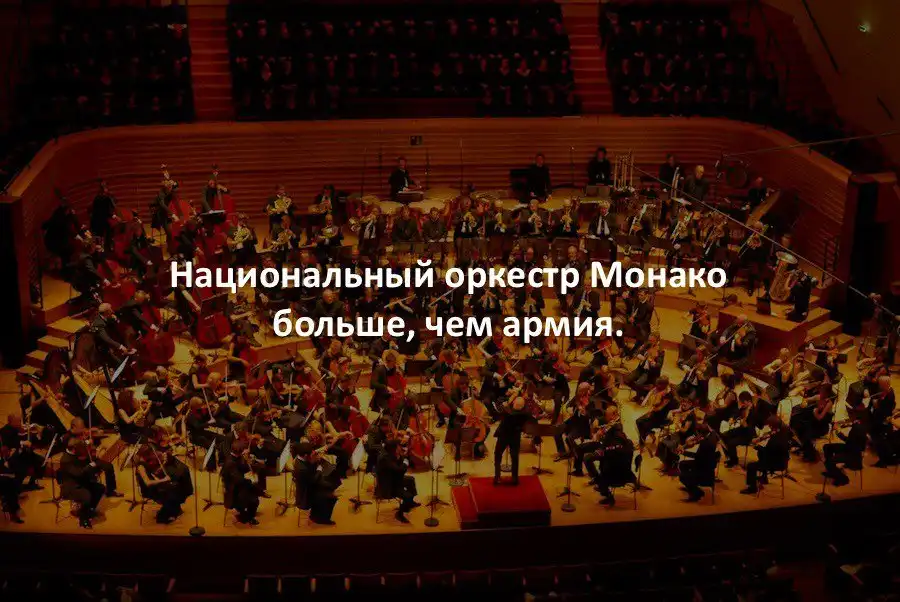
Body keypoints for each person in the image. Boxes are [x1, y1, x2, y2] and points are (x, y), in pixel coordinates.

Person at [58, 440, 107, 529]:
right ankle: (83, 519)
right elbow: (78, 473)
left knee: (100, 488)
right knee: (86, 495)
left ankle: (90, 510)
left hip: (82, 482)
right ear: (74, 449)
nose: (82, 450)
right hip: (71, 487)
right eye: (80, 448)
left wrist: (96, 466)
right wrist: (89, 466)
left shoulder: (78, 455)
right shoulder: (65, 459)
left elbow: (88, 467)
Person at [741, 416, 791, 495]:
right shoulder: (783, 433)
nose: (769, 427)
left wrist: (757, 447)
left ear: (773, 426)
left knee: (751, 466)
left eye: (770, 425)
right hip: (783, 461)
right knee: (761, 456)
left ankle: (752, 488)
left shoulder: (775, 439)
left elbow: (768, 451)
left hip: (775, 464)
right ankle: (764, 478)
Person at [293, 442, 339, 525]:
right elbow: (313, 481)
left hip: (309, 485)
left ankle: (317, 513)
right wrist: (319, 469)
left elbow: (311, 475)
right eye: (312, 453)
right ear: (306, 455)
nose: (313, 454)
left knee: (332, 482)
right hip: (306, 494)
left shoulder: (300, 457)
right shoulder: (301, 469)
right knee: (332, 497)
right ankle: (319, 519)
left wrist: (316, 460)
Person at [375, 439, 420, 523]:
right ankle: (400, 513)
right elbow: (400, 470)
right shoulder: (385, 459)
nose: (400, 447)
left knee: (411, 480)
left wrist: (401, 456)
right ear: (393, 448)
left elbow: (398, 469)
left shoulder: (392, 455)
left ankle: (410, 503)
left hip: (394, 479)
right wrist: (405, 462)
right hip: (388, 486)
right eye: (398, 446)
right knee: (408, 496)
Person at [493, 394, 532, 485]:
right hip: (515, 436)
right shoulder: (525, 414)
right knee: (514, 457)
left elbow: (498, 411)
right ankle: (515, 478)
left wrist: (507, 404)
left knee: (498, 455)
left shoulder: (507, 412)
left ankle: (497, 477)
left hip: (503, 435)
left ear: (514, 403)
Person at [221, 441, 261, 525]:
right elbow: (239, 480)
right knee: (254, 500)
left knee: (254, 492)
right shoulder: (230, 463)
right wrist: (250, 481)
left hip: (237, 486)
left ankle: (246, 514)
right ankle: (244, 517)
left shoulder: (235, 458)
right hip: (232, 492)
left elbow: (243, 468)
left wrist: (247, 460)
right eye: (243, 450)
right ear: (240, 452)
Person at [678, 422, 719, 502]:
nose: (696, 436)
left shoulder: (705, 443)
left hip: (704, 469)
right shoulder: (712, 435)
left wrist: (684, 452)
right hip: (707, 463)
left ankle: (696, 493)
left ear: (701, 434)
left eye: (697, 434)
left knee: (682, 476)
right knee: (682, 464)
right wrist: (696, 441)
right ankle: (690, 486)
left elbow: (696, 457)